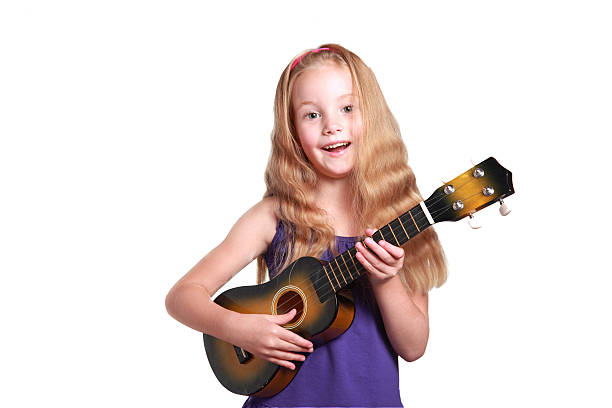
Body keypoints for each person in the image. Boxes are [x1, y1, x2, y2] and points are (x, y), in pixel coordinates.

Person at [165, 43, 447, 408]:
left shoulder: (402, 221)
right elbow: (182, 296)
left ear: (371, 117)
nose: (332, 126)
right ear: (293, 130)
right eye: (312, 115)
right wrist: (239, 329)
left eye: (347, 108)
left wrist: (386, 279)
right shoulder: (273, 217)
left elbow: (413, 347)